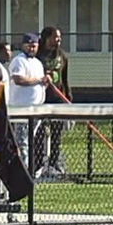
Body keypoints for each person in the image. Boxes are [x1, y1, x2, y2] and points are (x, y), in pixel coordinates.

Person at [8, 32, 48, 173]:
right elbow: (19, 80)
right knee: (22, 143)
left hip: (36, 109)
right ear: (23, 45)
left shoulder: (37, 63)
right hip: (21, 110)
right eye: (29, 45)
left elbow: (41, 82)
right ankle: (22, 172)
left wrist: (45, 82)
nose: (32, 48)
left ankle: (29, 170)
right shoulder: (19, 61)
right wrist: (38, 81)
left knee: (30, 142)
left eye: (34, 46)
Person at [35, 25, 71, 177]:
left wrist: (68, 97)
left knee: (57, 132)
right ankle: (37, 163)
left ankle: (54, 163)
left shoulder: (62, 56)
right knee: (39, 132)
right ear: (47, 38)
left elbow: (65, 79)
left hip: (58, 99)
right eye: (56, 37)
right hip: (41, 99)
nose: (59, 40)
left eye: (60, 37)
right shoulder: (36, 57)